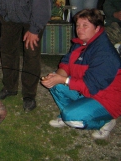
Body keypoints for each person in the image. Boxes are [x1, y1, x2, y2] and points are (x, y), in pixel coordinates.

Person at [41, 9, 121, 139]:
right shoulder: (81, 43)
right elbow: (65, 64)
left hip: (106, 99)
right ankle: (70, 114)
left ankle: (105, 120)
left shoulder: (104, 53)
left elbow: (91, 86)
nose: (79, 29)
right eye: (78, 25)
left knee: (71, 117)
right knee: (55, 83)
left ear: (97, 28)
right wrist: (57, 77)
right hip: (88, 91)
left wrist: (63, 79)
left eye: (85, 25)